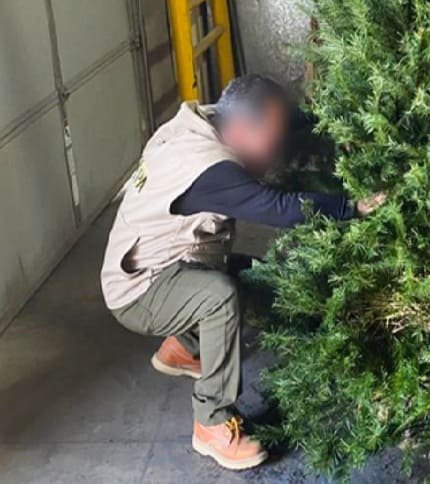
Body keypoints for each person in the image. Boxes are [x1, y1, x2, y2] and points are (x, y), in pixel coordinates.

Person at [100, 75, 384, 470]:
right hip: (137, 289)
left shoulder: (215, 118)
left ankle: (184, 349)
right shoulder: (209, 170)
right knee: (219, 297)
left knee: (248, 275)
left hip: (166, 261)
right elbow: (280, 208)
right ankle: (211, 423)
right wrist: (350, 207)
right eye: (271, 141)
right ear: (242, 129)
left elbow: (283, 120)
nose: (276, 152)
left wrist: (331, 124)